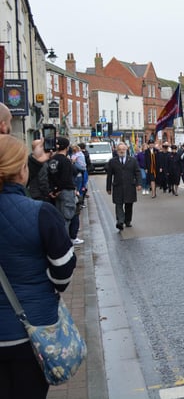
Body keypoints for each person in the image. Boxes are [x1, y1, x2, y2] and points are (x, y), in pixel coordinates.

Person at [0, 134, 77, 399]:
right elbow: (64, 269)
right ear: (22, 170)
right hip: (31, 331)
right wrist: (49, 283)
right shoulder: (41, 213)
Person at [106, 142, 142, 230]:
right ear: (117, 151)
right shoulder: (112, 161)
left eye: (123, 149)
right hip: (118, 186)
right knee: (118, 205)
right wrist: (108, 188)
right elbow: (109, 175)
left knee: (129, 205)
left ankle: (127, 221)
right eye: (120, 150)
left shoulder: (132, 160)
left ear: (126, 150)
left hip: (130, 186)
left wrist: (138, 184)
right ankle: (120, 221)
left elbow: (137, 172)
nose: (122, 151)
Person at [47, 137, 77, 230]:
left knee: (58, 219)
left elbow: (50, 176)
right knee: (66, 219)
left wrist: (54, 190)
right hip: (66, 191)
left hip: (54, 193)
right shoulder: (66, 161)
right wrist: (59, 189)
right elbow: (65, 178)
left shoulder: (51, 160)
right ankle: (65, 242)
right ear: (67, 148)